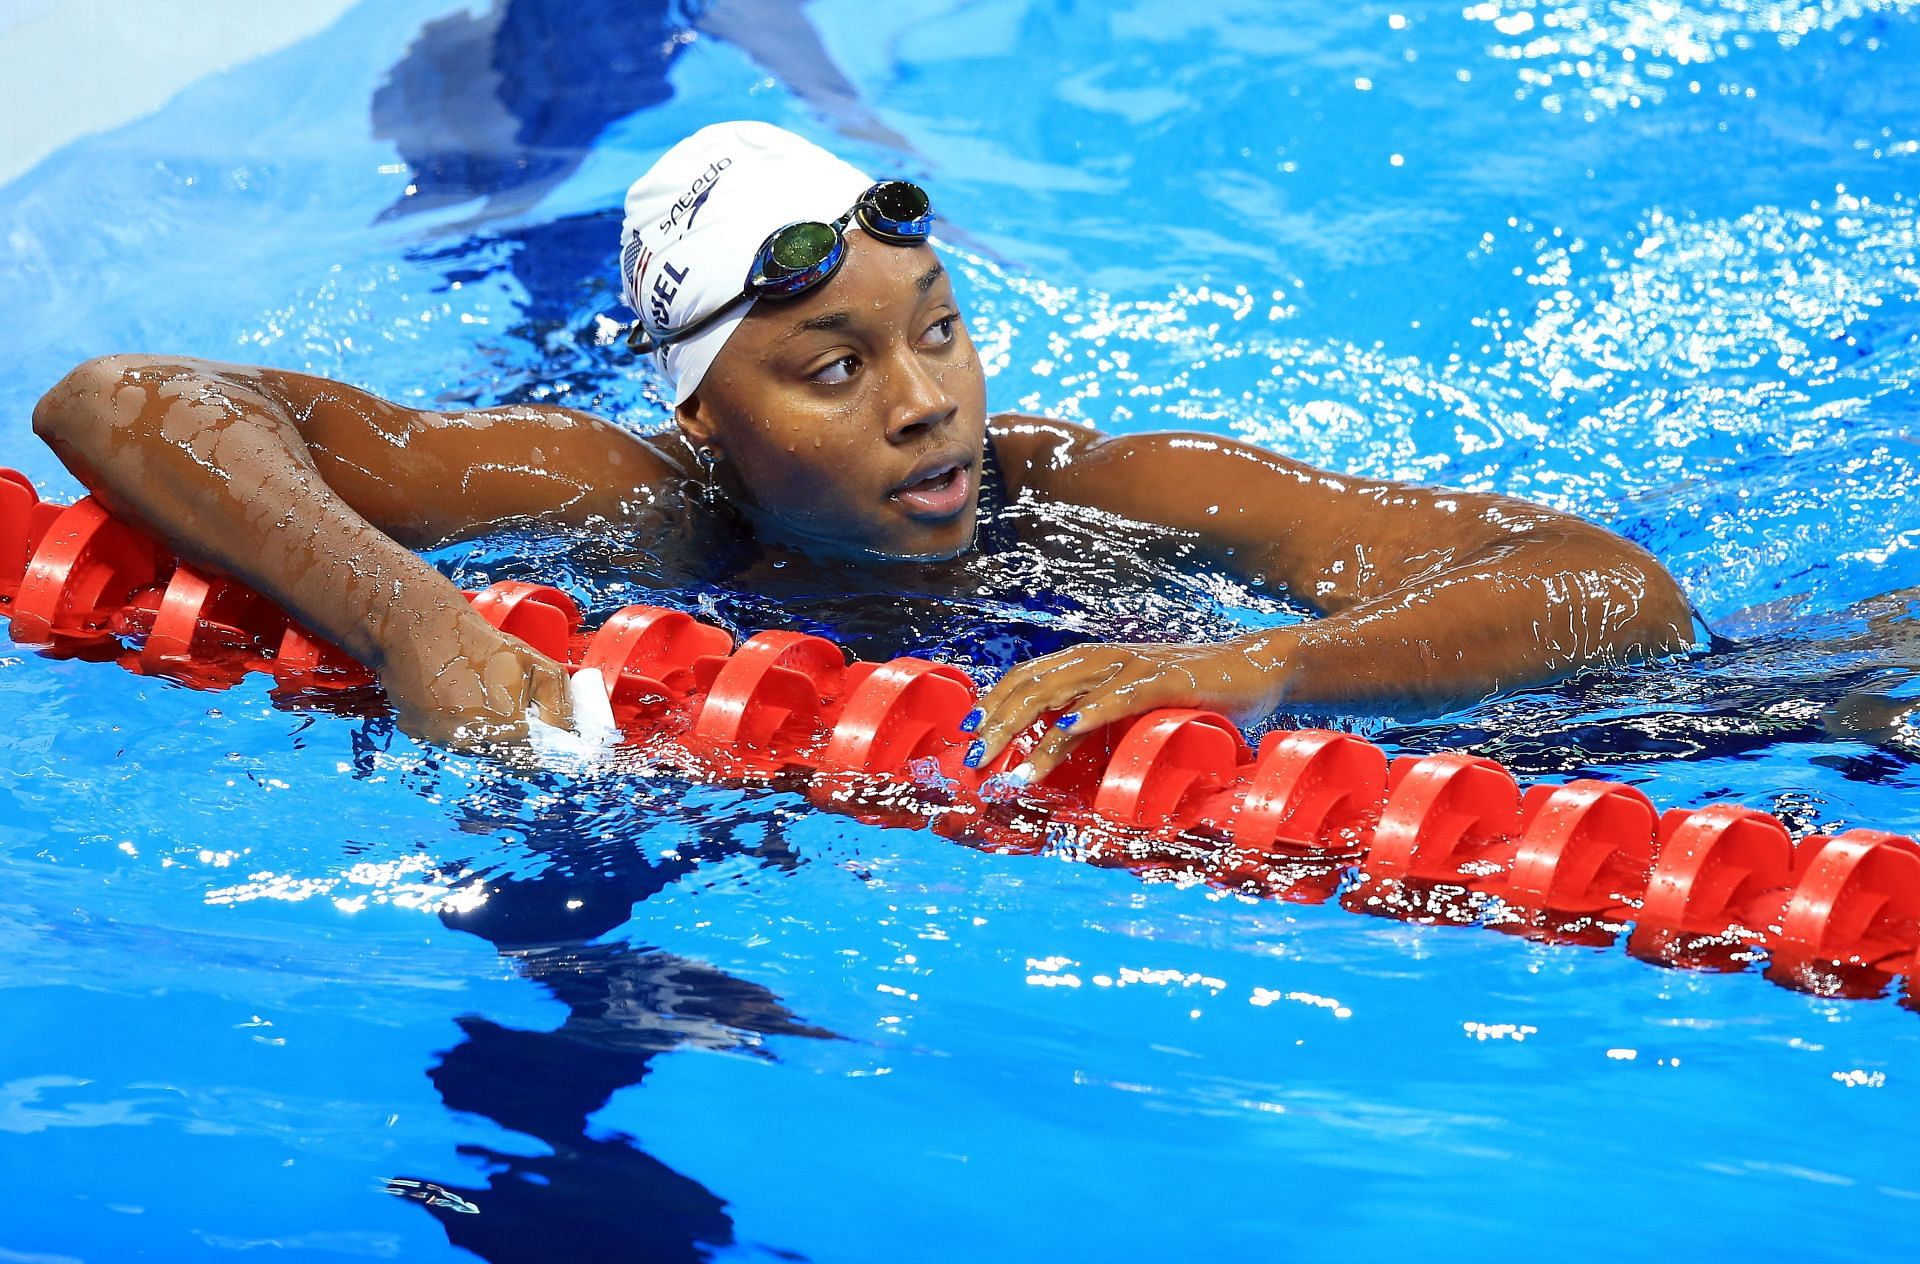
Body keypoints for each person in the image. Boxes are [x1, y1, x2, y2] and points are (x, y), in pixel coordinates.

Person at [29, 121, 1695, 782]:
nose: (928, 403)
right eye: (836, 366)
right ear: (703, 412)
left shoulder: (1098, 493)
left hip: (1649, 744)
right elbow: (122, 396)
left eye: (941, 329)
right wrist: (412, 622)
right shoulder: (638, 506)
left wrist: (1266, 668)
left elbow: (1612, 591)